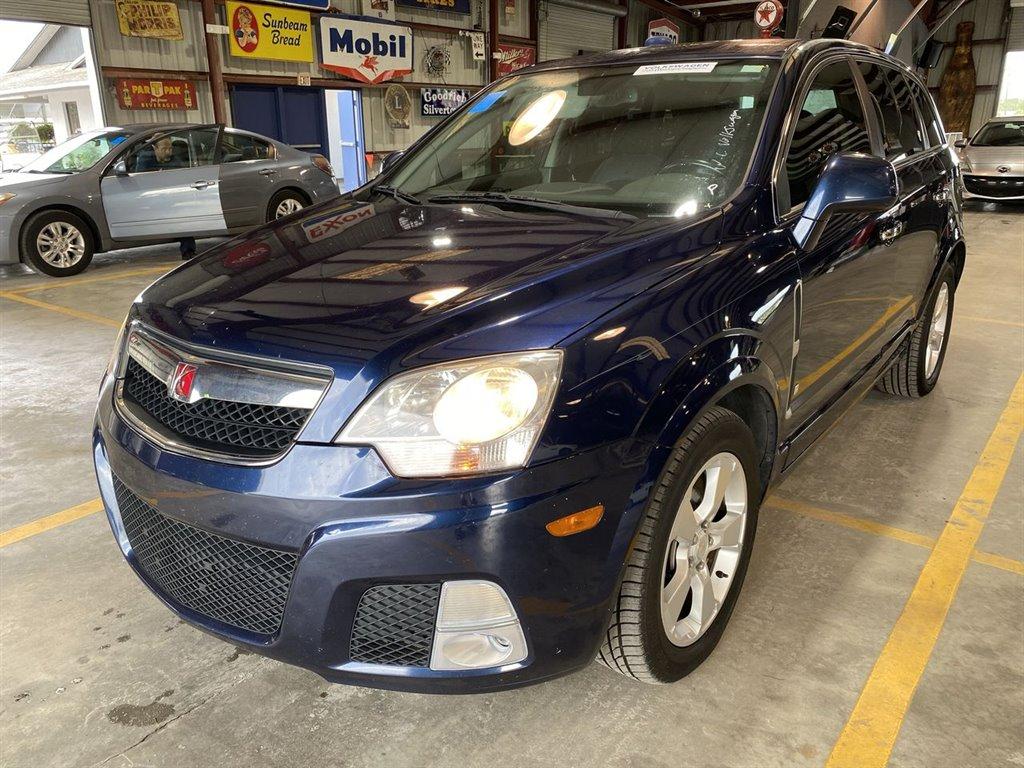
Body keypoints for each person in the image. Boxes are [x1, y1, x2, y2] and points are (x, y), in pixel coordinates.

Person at [133, 136, 197, 260]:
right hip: (151, 199)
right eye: (164, 149)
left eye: (170, 148)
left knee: (183, 215)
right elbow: (140, 182)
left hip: (171, 199)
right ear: (154, 148)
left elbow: (180, 181)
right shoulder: (145, 160)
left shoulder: (175, 161)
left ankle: (188, 250)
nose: (168, 152)